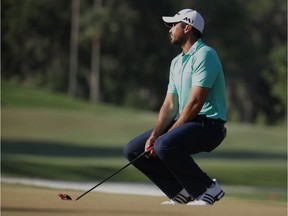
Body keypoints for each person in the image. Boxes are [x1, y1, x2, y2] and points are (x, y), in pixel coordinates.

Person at [123, 8, 227, 206]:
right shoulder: (176, 62)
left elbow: (196, 103)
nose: (170, 29)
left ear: (187, 28)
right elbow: (170, 104)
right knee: (134, 150)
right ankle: (180, 192)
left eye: (173, 25)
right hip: (187, 122)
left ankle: (208, 188)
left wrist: (166, 135)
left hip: (210, 125)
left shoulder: (205, 55)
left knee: (165, 144)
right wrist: (155, 135)